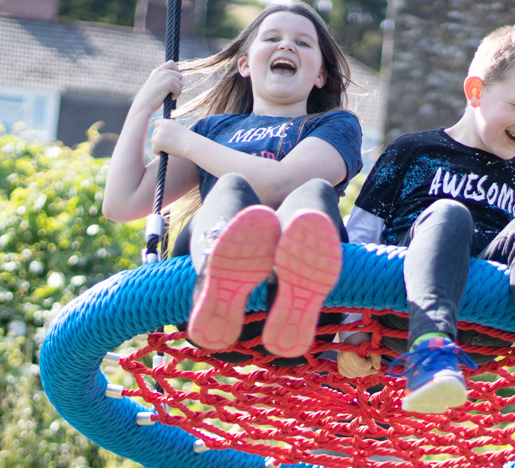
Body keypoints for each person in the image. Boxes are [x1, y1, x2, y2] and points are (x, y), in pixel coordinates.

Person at [338, 24, 515, 446]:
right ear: (475, 91)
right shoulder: (413, 151)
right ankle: (430, 348)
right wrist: (351, 331)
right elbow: (360, 236)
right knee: (449, 215)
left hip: (479, 329)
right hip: (398, 314)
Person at [102, 1, 362, 360]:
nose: (287, 46)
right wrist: (143, 105)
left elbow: (281, 184)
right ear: (244, 64)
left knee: (313, 191)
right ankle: (220, 282)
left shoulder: (335, 126)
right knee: (231, 190)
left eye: (303, 43)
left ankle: (294, 295)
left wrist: (188, 144)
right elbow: (122, 202)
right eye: (272, 37)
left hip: (310, 319)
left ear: (320, 75)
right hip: (221, 320)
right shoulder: (215, 130)